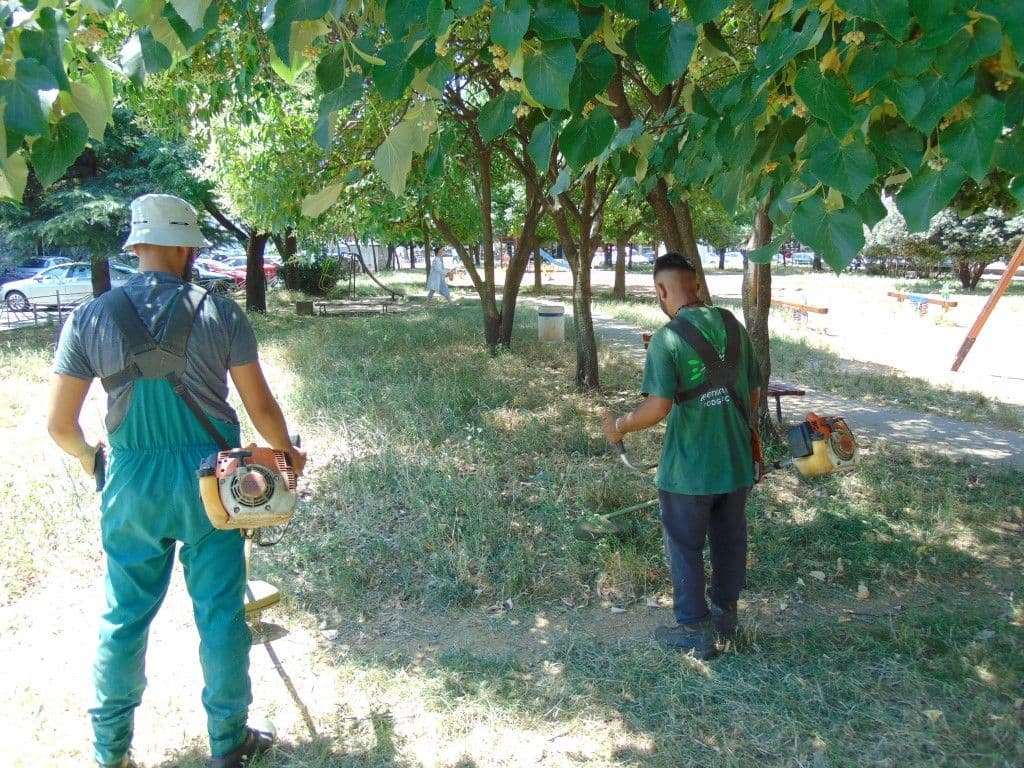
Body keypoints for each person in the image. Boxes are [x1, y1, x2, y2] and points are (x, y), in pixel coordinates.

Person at [47, 194, 307, 768]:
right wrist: (285, 455)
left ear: (136, 246)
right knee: (219, 612)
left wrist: (97, 462)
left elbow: (60, 427)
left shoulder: (89, 318)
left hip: (130, 483)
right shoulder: (220, 312)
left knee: (123, 617)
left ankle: (110, 752)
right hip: (212, 483)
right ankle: (229, 743)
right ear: (187, 247)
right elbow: (260, 406)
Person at [601, 252, 763, 660]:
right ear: (697, 286)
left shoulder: (666, 339)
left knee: (685, 545)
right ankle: (726, 617)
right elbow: (755, 391)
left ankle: (694, 629)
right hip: (736, 463)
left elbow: (658, 407)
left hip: (688, 471)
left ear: (660, 290)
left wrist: (618, 426)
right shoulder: (732, 325)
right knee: (730, 540)